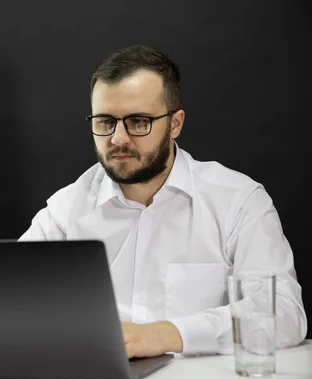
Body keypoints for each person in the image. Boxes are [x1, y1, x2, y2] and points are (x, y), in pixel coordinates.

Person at [19, 45, 307, 358]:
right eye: (105, 122)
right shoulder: (65, 210)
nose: (118, 139)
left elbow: (284, 314)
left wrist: (163, 335)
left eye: (139, 122)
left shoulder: (237, 201)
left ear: (175, 124)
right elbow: (7, 298)